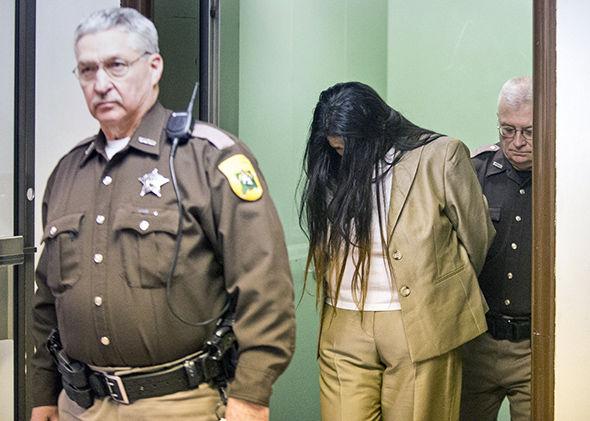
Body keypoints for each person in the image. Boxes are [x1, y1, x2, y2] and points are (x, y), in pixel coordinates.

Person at [30, 7, 295, 421]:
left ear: (154, 68)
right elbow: (47, 301)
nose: (100, 84)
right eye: (87, 70)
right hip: (79, 405)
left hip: (179, 405)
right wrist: (42, 394)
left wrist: (252, 394)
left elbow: (266, 289)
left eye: (116, 65)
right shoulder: (67, 172)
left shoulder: (209, 158)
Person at [299, 81, 495, 421]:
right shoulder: (332, 162)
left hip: (420, 322)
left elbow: (476, 237)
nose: (342, 156)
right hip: (343, 320)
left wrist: (439, 292)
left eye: (349, 149)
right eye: (336, 149)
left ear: (377, 131)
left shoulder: (439, 155)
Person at [460, 76, 533, 421]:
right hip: (478, 342)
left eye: (529, 131)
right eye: (507, 130)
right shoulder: (475, 173)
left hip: (536, 347)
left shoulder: (564, 178)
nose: (517, 142)